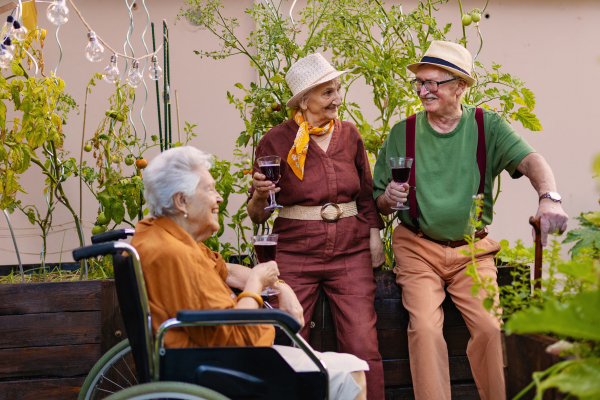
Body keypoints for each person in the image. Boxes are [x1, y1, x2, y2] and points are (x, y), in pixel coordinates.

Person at [373, 41, 568, 400]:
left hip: (472, 251)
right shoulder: (404, 132)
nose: (423, 90)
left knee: (491, 327)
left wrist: (549, 198)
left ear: (460, 86)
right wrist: (388, 199)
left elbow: (531, 161)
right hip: (417, 248)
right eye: (420, 83)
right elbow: (379, 201)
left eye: (433, 83)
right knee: (426, 330)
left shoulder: (486, 126)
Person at [131, 146, 370, 400]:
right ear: (181, 201)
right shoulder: (176, 254)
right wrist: (256, 283)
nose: (219, 198)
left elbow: (225, 271)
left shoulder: (158, 235)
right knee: (352, 372)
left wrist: (280, 286)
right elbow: (233, 338)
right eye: (210, 189)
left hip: (197, 357)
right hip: (220, 367)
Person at [247, 53, 385, 400]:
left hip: (350, 250)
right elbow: (258, 214)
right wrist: (261, 196)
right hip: (294, 252)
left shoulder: (350, 135)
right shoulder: (275, 141)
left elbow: (366, 193)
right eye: (327, 93)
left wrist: (374, 235)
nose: (337, 98)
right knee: (288, 341)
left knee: (362, 344)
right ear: (304, 100)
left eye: (338, 90)